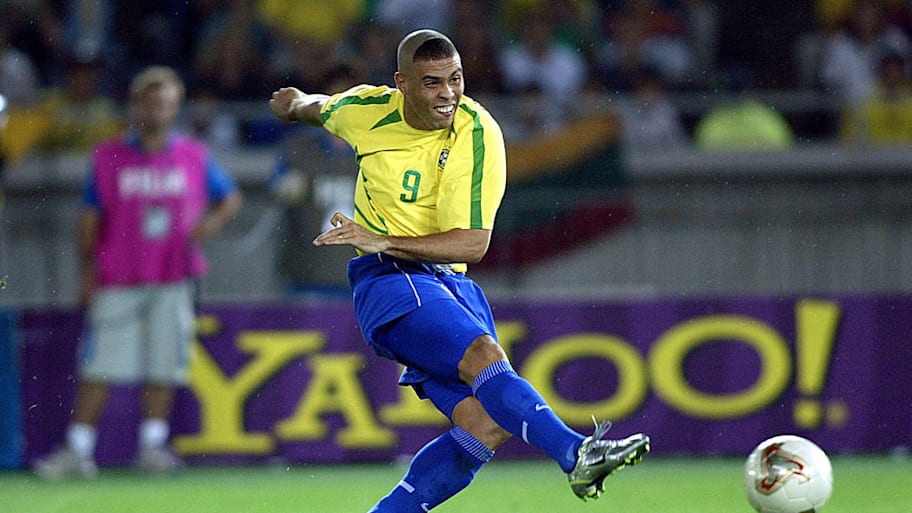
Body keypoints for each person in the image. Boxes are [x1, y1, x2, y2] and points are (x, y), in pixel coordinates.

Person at [268, 29, 649, 510]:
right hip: (388, 278)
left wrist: (384, 236)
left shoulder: (479, 132)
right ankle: (577, 454)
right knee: (483, 354)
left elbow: (474, 243)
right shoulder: (367, 110)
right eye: (432, 83)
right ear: (402, 84)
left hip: (450, 282)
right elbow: (320, 107)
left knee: (485, 427)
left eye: (455, 79)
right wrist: (294, 102)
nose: (447, 93)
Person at [33, 66, 242, 479]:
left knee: (166, 363)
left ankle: (152, 447)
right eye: (150, 102)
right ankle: (79, 450)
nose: (157, 110)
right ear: (136, 105)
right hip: (119, 275)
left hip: (173, 275)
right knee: (100, 364)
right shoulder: (109, 156)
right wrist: (86, 272)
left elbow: (229, 197)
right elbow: (88, 219)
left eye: (164, 103)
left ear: (175, 108)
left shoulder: (193, 155)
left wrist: (207, 227)